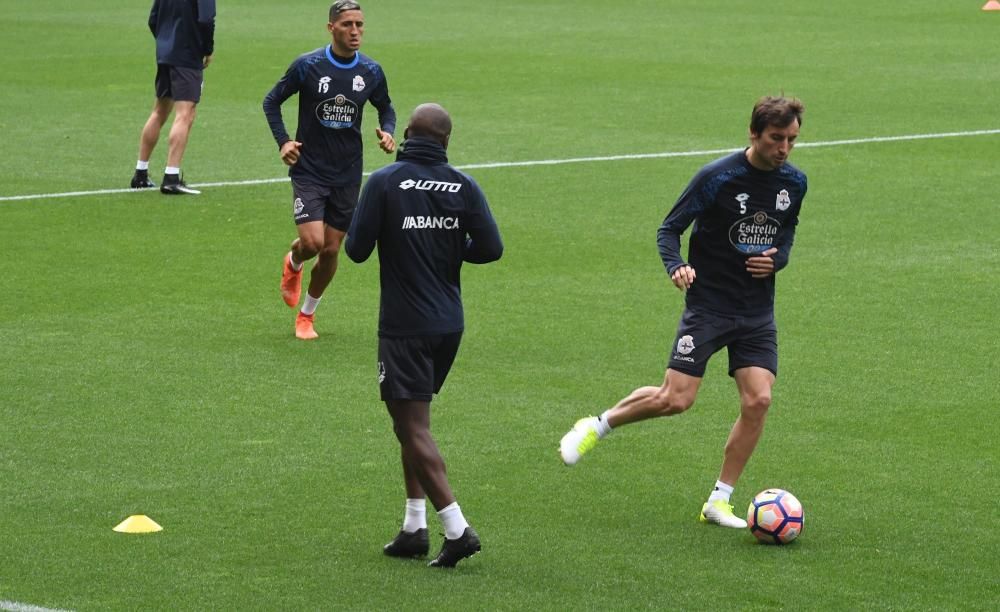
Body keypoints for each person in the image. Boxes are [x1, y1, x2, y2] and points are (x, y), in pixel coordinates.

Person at [559, 96, 808, 530]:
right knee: (676, 399)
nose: (784, 148)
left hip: (756, 312)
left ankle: (720, 500)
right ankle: (599, 425)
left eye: (791, 139)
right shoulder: (717, 178)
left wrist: (778, 260)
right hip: (709, 306)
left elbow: (786, 236)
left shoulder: (795, 183)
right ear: (753, 133)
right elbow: (669, 229)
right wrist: (677, 266)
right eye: (776, 138)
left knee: (759, 399)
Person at [345, 103, 503, 568]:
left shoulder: (385, 183)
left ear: (408, 133)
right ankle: (414, 526)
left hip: (404, 325)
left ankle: (456, 529)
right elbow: (491, 249)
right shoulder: (464, 185)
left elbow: (355, 250)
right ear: (446, 142)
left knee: (411, 426)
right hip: (448, 324)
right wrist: (447, 247)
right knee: (411, 423)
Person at [263, 0, 396, 340]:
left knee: (332, 250)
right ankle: (293, 262)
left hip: (348, 173)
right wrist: (283, 142)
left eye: (360, 25)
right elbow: (272, 101)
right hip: (309, 169)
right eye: (348, 25)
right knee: (312, 242)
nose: (355, 32)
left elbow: (386, 108)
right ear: (331, 28)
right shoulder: (308, 66)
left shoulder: (371, 71)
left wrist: (388, 131)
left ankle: (307, 316)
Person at [130, 0, 216, 195]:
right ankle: (171, 177)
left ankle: (140, 174)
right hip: (187, 55)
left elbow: (153, 19)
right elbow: (206, 19)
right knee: (185, 114)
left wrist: (165, 41)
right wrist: (207, 49)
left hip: (165, 53)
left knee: (159, 111)